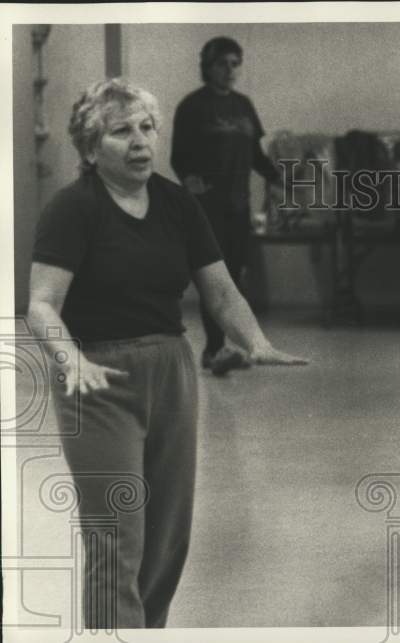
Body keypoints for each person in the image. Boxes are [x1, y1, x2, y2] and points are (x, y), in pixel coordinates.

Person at [27, 78, 307, 628]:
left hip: (172, 372)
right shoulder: (73, 208)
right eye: (121, 131)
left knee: (166, 539)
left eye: (147, 127)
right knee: (117, 535)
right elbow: (41, 304)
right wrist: (70, 359)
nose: (140, 141)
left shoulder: (177, 203)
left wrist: (256, 342)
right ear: (90, 149)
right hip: (97, 377)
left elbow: (220, 291)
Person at [171, 36, 283, 375]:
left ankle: (231, 345)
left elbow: (255, 156)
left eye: (235, 64)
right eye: (223, 64)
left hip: (239, 204)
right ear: (208, 66)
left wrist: (280, 178)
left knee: (234, 276)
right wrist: (190, 181)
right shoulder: (192, 106)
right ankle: (214, 348)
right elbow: (178, 157)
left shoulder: (244, 105)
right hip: (207, 207)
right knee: (214, 278)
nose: (230, 70)